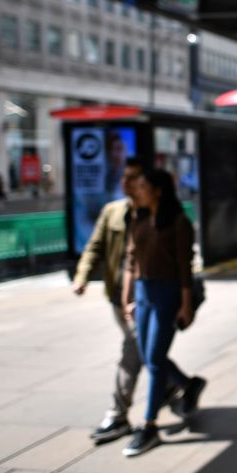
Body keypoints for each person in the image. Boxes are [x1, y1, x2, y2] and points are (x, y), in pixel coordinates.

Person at [73, 156, 170, 445]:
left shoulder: (157, 215)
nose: (127, 183)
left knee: (133, 351)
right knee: (145, 349)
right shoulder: (112, 212)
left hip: (147, 299)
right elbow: (96, 247)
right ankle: (179, 386)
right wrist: (82, 277)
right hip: (119, 297)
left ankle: (119, 414)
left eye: (134, 178)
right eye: (124, 177)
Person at [121, 168, 206, 457]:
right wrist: (128, 298)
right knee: (148, 357)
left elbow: (185, 267)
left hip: (168, 293)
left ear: (158, 190)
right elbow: (132, 261)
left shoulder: (179, 223)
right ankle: (188, 384)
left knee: (155, 360)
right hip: (144, 293)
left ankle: (149, 425)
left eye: (142, 186)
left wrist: (185, 304)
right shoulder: (139, 219)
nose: (137, 191)